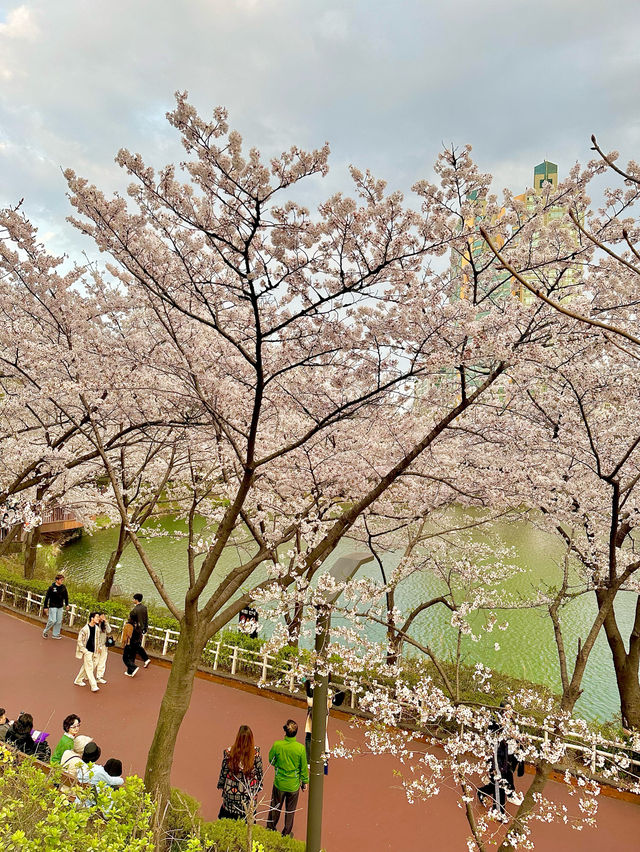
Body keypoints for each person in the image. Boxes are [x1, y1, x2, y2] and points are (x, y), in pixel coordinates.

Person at [266, 719, 308, 836]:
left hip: (279, 782)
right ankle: (286, 833)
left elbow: (271, 759)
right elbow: (303, 767)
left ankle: (270, 828)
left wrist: (278, 766)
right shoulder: (300, 748)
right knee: (290, 811)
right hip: (293, 785)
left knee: (275, 806)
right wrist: (304, 782)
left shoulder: (277, 745)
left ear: (285, 731)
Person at [217, 724, 263, 820]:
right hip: (248, 796)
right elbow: (259, 774)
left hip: (231, 795)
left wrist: (221, 785)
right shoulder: (256, 755)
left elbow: (224, 772)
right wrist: (258, 787)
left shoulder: (228, 753)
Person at [74, 612, 101, 691]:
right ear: (92, 618)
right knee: (89, 667)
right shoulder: (84, 629)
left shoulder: (97, 629)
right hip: (87, 651)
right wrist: (84, 650)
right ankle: (94, 685)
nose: (98, 618)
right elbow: (79, 641)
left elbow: (98, 639)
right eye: (97, 617)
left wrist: (99, 647)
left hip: (94, 651)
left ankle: (78, 680)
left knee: (86, 666)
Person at [42, 573, 69, 639]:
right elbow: (47, 598)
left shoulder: (63, 587)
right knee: (53, 620)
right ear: (57, 580)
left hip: (60, 606)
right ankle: (45, 631)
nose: (62, 581)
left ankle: (55, 635)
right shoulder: (51, 588)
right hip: (53, 606)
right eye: (61, 580)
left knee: (59, 621)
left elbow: (66, 596)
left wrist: (67, 604)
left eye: (62, 580)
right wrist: (45, 607)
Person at [94, 612, 112, 684]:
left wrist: (106, 622)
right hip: (97, 646)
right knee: (95, 661)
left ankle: (99, 677)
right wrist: (99, 646)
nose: (103, 617)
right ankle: (87, 674)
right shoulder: (95, 624)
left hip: (104, 645)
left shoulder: (103, 624)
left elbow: (109, 630)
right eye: (101, 616)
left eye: (104, 616)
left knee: (102, 661)